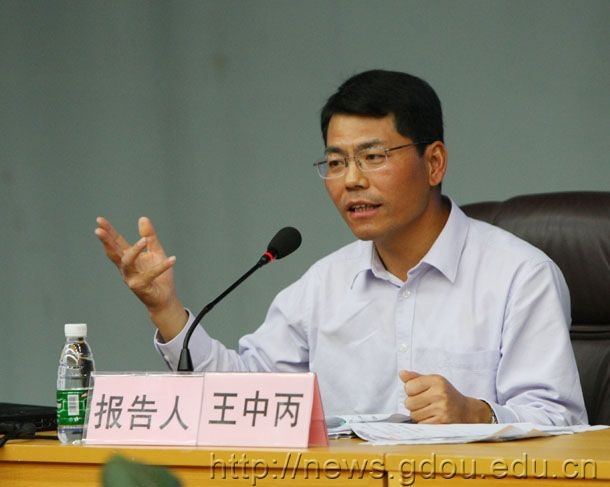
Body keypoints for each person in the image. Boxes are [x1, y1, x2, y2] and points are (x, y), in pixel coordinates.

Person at [95, 69, 587, 425]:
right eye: (335, 162)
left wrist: (477, 414)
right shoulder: (323, 286)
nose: (351, 180)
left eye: (373, 157)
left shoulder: (519, 276)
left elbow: (563, 423)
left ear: (434, 163)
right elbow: (243, 398)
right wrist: (165, 310)